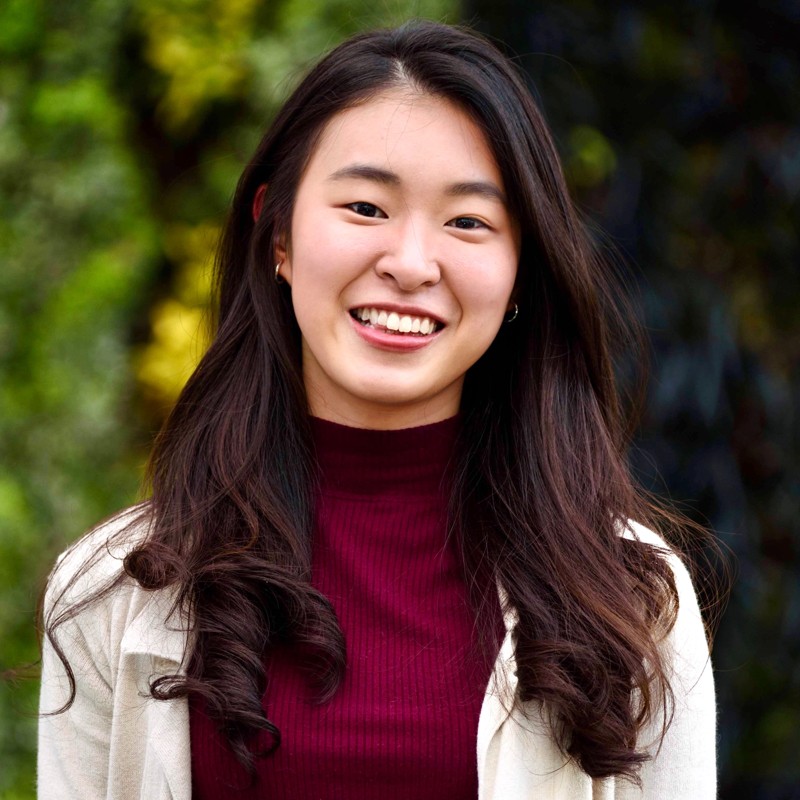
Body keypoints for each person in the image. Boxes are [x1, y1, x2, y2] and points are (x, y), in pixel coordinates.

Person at [37, 20, 717, 800]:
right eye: (365, 207)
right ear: (277, 234)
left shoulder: (628, 595)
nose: (409, 264)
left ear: (521, 270)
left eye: (468, 222)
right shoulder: (114, 590)